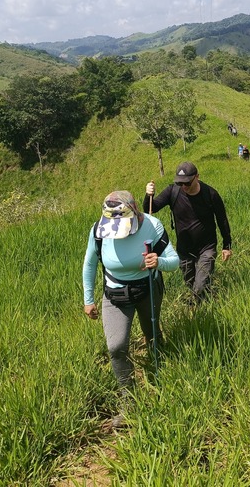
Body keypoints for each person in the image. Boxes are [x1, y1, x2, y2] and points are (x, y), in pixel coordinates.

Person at [82, 190, 179, 423]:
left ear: (134, 211)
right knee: (116, 347)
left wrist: (159, 261)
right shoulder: (98, 230)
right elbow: (90, 263)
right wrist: (88, 299)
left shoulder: (152, 226)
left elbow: (174, 261)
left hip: (147, 289)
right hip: (115, 295)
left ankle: (161, 377)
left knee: (153, 335)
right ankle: (128, 400)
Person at [145, 162, 232, 305]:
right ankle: (206, 304)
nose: (184, 186)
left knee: (200, 286)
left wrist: (227, 245)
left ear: (197, 177)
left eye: (187, 183)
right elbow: (151, 208)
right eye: (180, 183)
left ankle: (198, 311)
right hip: (184, 249)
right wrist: (149, 194)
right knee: (191, 283)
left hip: (207, 248)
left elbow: (222, 220)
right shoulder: (173, 191)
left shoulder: (210, 194)